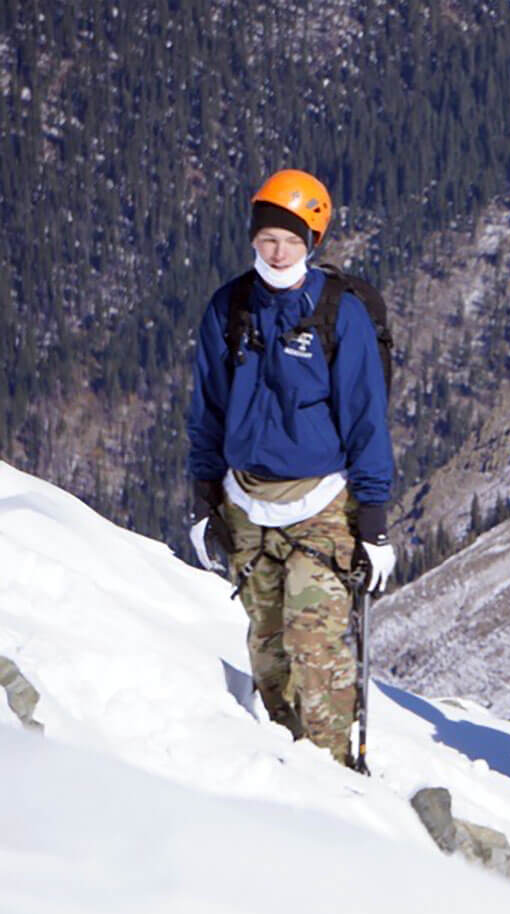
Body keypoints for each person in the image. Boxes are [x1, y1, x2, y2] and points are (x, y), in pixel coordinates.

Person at [185, 168, 395, 770]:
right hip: (246, 500)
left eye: (291, 240)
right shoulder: (229, 308)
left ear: (314, 242)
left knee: (317, 648)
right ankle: (284, 772)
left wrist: (374, 521)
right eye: (267, 238)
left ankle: (334, 782)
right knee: (268, 649)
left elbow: (365, 418)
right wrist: (204, 501)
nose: (277, 251)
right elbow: (208, 409)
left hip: (322, 504)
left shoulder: (340, 314)